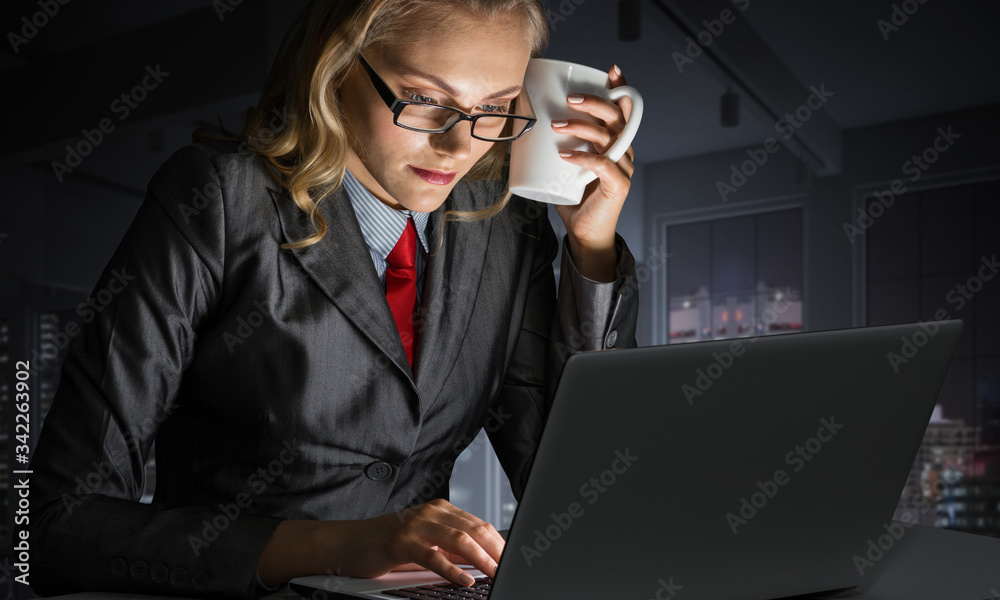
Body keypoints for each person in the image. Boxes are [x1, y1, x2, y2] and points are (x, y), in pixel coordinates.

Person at [28, 1, 639, 598]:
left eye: (496, 108)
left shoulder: (506, 225)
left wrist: (591, 248)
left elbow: (579, 493)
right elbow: (59, 526)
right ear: (338, 66)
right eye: (425, 101)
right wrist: (336, 546)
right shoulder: (219, 200)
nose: (459, 148)